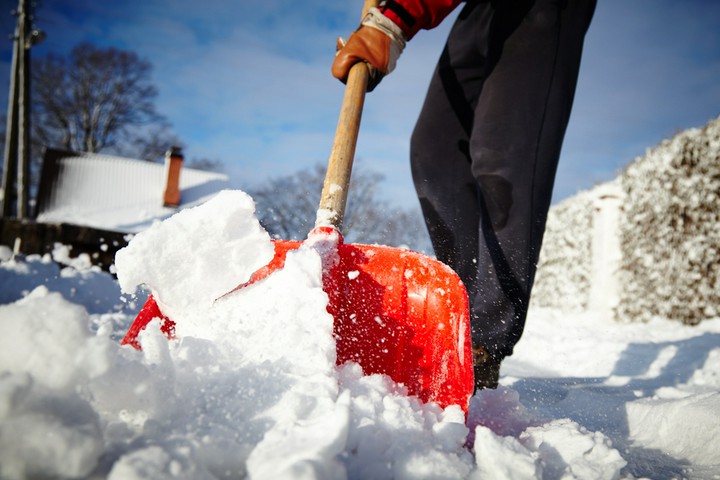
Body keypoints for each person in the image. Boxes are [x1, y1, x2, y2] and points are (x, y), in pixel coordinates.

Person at [332, 0, 597, 391]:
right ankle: (462, 311)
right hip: (482, 9)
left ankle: (483, 342)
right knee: (434, 150)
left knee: (501, 156)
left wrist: (393, 21)